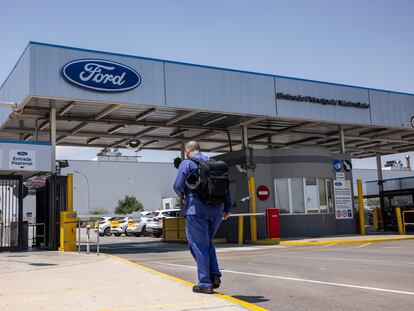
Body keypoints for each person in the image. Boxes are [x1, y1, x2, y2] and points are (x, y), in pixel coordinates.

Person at [173, 141, 232, 294]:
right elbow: (226, 188)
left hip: (196, 210)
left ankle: (205, 283)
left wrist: (184, 196)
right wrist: (227, 207)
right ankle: (214, 275)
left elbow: (177, 185)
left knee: (198, 246)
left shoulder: (187, 163)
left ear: (187, 152)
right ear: (199, 149)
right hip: (217, 211)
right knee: (207, 244)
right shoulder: (213, 163)